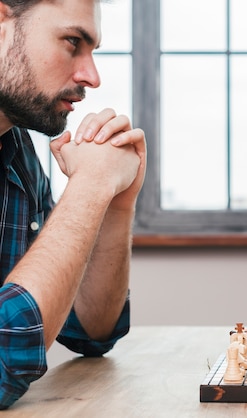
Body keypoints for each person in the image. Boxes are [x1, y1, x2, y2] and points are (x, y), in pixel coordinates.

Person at [0, 0, 146, 408]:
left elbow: (90, 330)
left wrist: (117, 202)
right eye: (72, 42)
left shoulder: (17, 150)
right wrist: (91, 185)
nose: (92, 76)